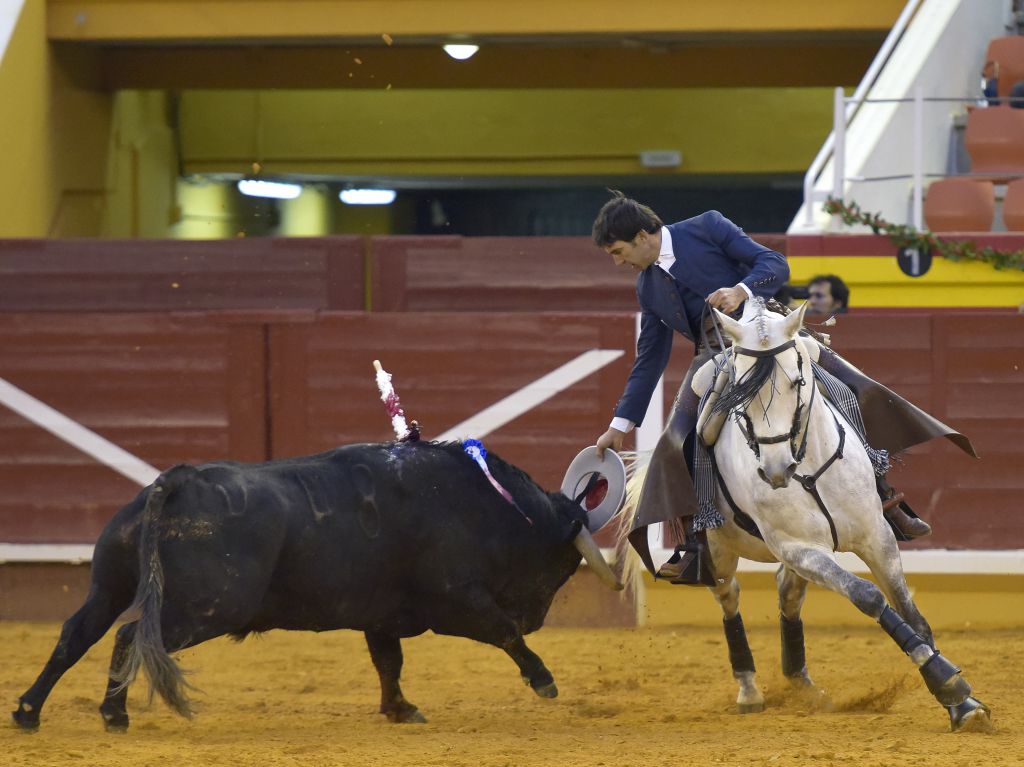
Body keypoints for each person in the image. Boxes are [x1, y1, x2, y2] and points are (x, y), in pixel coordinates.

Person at [590, 191, 975, 584]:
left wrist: (741, 290)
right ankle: (697, 540)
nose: (619, 262)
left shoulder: (707, 226)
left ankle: (884, 497)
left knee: (855, 389)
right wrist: (620, 426)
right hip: (716, 354)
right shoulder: (647, 286)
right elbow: (649, 359)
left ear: (643, 236)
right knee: (675, 440)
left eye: (619, 251)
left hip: (771, 331)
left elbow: (775, 263)